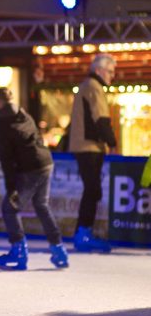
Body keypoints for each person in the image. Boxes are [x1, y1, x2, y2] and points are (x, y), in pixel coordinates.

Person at [0, 87, 69, 270]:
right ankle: (59, 249)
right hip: (46, 162)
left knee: (9, 207)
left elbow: (6, 159)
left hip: (31, 169)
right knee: (41, 205)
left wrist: (11, 189)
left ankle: (19, 251)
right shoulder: (23, 113)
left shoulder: (1, 124)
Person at [68, 54, 117, 252]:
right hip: (88, 146)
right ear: (99, 70)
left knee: (92, 190)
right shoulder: (93, 87)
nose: (113, 76)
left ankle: (83, 232)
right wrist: (112, 143)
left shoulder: (86, 86)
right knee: (93, 190)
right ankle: (83, 234)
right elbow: (101, 119)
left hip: (86, 146)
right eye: (110, 72)